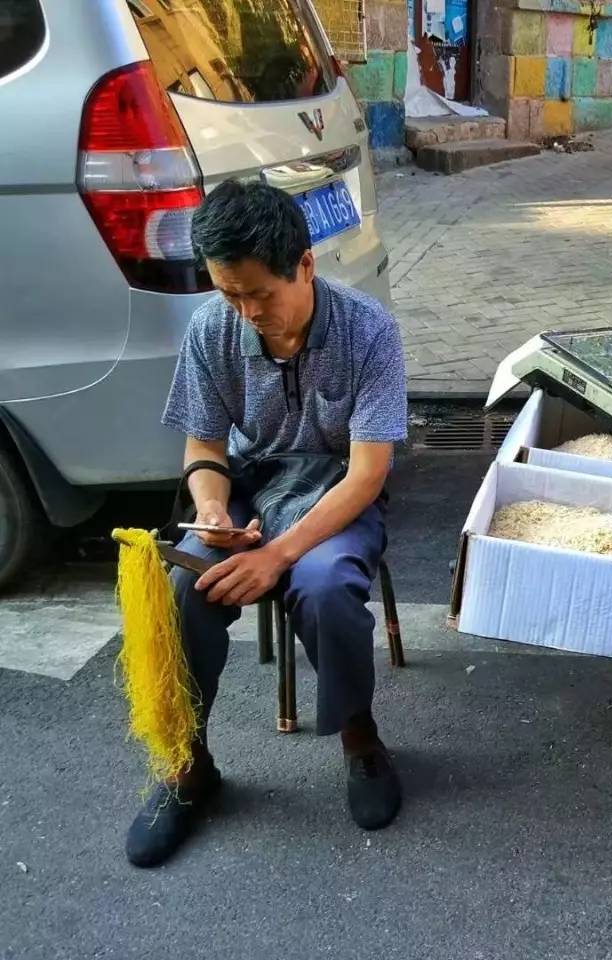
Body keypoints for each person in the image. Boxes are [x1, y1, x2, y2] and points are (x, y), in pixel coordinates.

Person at [125, 181, 408, 868]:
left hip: (334, 488)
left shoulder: (369, 331)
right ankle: (190, 764)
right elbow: (205, 449)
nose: (248, 312)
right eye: (230, 294)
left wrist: (277, 554)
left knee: (326, 582)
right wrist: (213, 507)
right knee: (181, 586)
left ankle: (360, 738)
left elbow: (367, 474)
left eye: (261, 294)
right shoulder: (211, 329)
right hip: (248, 487)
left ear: (304, 266)